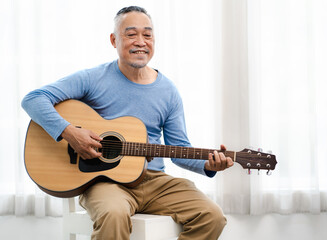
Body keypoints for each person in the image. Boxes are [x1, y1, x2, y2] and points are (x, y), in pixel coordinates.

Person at [22, 6, 234, 240]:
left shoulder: (168, 91)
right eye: (131, 34)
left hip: (155, 181)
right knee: (114, 214)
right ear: (114, 40)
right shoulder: (93, 78)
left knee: (212, 216)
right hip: (105, 182)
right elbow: (33, 99)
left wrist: (209, 165)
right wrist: (70, 133)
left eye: (148, 35)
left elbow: (179, 150)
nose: (141, 42)